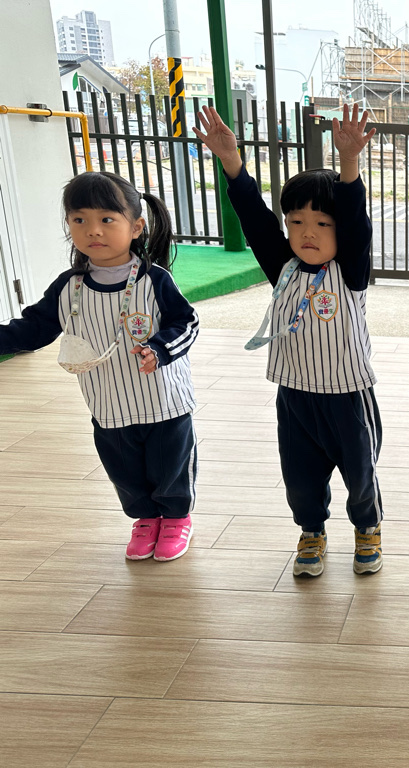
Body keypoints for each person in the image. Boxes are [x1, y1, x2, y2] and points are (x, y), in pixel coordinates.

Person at [193, 103, 383, 579]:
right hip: (295, 395)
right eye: (296, 222)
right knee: (299, 478)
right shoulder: (284, 268)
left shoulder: (350, 271)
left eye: (322, 224)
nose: (307, 234)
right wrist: (231, 162)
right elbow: (256, 219)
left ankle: (367, 528)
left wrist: (349, 164)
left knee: (360, 475)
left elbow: (356, 221)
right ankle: (311, 531)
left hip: (347, 396)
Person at [0, 172, 199, 562]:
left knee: (170, 467)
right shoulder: (68, 287)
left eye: (107, 219)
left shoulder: (154, 280)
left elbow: (187, 322)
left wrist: (159, 349)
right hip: (109, 406)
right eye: (80, 220)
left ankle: (176, 519)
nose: (93, 230)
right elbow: (33, 329)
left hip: (164, 403)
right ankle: (145, 519)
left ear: (136, 227)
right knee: (125, 471)